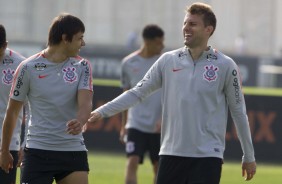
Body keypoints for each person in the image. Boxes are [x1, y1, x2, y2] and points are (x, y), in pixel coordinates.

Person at [88, 2, 256, 184]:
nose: (186, 28)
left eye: (193, 24)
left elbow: (239, 112)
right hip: (170, 154)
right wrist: (101, 111)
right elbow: (137, 93)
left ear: (208, 29)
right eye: (185, 23)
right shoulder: (168, 61)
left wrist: (249, 155)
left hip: (208, 157)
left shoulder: (226, 65)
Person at [0, 13, 93, 184]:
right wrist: (4, 150)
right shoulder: (27, 67)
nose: (83, 43)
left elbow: (86, 103)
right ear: (65, 38)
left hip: (72, 150)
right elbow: (12, 113)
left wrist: (80, 120)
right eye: (80, 38)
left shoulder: (83, 66)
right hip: (37, 152)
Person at [120, 24, 164, 184]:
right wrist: (123, 125)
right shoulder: (128, 63)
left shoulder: (164, 62)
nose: (162, 46)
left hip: (158, 126)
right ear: (147, 41)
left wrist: (164, 118)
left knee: (158, 167)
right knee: (132, 162)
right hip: (135, 124)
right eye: (159, 42)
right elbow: (125, 96)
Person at [0, 24, 29, 184]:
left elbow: (30, 107)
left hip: (8, 146)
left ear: (5, 45)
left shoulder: (21, 65)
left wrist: (25, 143)